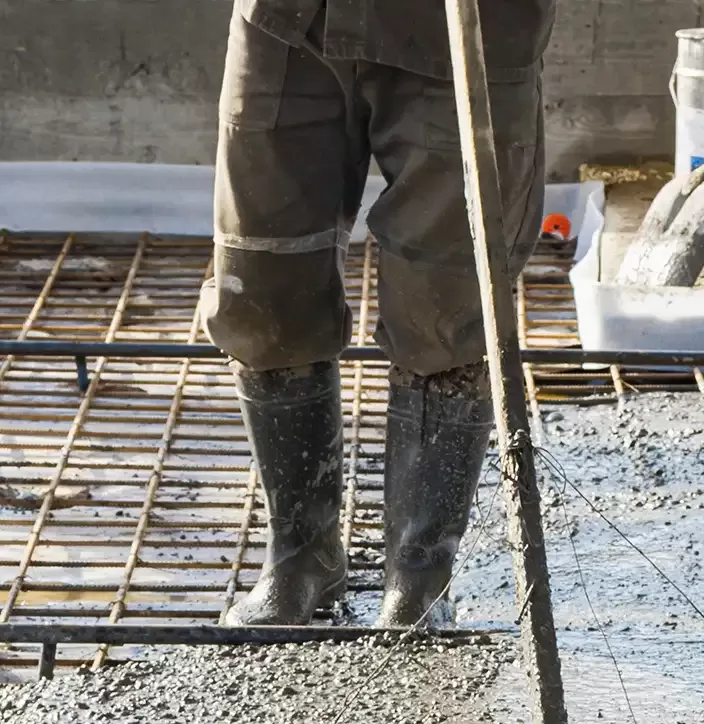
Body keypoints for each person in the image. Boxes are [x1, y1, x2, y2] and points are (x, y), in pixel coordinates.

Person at [202, 0, 553, 628]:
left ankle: (419, 580)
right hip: (293, 19)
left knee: (447, 301)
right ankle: (300, 559)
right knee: (265, 284)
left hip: (470, 25)